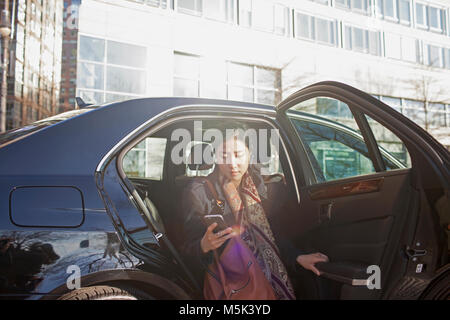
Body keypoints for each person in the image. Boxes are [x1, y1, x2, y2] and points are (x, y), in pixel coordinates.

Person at [179, 127, 329, 300]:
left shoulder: (261, 187)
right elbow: (184, 253)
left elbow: (272, 235)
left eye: (238, 154)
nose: (232, 163)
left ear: (249, 154)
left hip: (267, 275)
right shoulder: (198, 192)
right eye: (224, 156)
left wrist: (297, 257)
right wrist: (203, 246)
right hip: (228, 281)